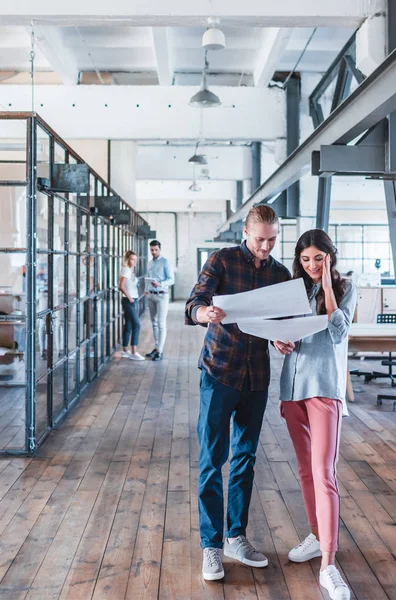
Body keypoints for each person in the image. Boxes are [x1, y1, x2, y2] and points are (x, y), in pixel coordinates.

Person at [185, 205, 291, 581]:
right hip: (219, 371)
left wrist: (282, 336)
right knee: (213, 459)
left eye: (272, 239)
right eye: (260, 238)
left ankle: (235, 536)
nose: (266, 246)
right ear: (245, 232)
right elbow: (194, 302)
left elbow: (281, 321)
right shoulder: (223, 260)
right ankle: (211, 547)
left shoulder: (280, 273)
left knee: (245, 458)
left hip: (256, 376)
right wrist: (204, 314)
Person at [274, 229, 357, 600]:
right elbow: (282, 333)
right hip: (293, 391)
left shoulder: (345, 288)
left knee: (325, 473)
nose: (311, 265)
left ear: (330, 257)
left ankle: (329, 564)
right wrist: (277, 340)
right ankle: (315, 532)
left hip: (324, 390)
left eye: (318, 259)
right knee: (306, 470)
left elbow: (339, 334)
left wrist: (325, 288)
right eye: (306, 259)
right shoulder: (291, 289)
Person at [145, 240, 174, 361]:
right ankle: (156, 347)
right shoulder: (150, 263)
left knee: (161, 324)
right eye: (152, 250)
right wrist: (147, 290)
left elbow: (172, 280)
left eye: (156, 250)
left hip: (162, 295)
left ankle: (160, 351)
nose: (153, 252)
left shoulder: (166, 262)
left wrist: (161, 283)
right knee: (154, 323)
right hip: (151, 295)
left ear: (160, 249)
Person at [119, 250, 145, 361]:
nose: (134, 261)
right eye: (132, 259)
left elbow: (132, 287)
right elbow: (121, 286)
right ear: (127, 259)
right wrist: (129, 298)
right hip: (128, 301)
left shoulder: (130, 271)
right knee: (137, 325)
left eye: (135, 260)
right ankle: (134, 352)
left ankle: (125, 350)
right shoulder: (126, 270)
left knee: (129, 325)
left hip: (132, 300)